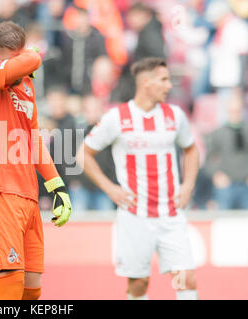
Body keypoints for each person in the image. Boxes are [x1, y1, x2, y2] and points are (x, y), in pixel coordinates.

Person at [0, 21, 72, 300]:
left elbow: (33, 139)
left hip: (27, 195)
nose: (23, 68)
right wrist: (30, 56)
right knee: (10, 282)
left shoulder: (27, 88)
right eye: (15, 60)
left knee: (31, 288)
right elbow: (33, 58)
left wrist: (56, 186)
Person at [77, 57, 200, 300]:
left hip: (170, 215)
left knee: (184, 278)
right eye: (163, 80)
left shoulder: (174, 115)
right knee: (139, 283)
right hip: (135, 217)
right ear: (146, 82)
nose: (168, 86)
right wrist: (110, 188)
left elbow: (191, 149)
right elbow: (83, 154)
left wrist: (188, 184)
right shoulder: (117, 118)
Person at [204, 89, 248, 210]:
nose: (235, 115)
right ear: (227, 111)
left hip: (246, 185)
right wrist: (216, 174)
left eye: (237, 111)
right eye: (232, 111)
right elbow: (208, 160)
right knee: (223, 222)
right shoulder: (218, 133)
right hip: (225, 187)